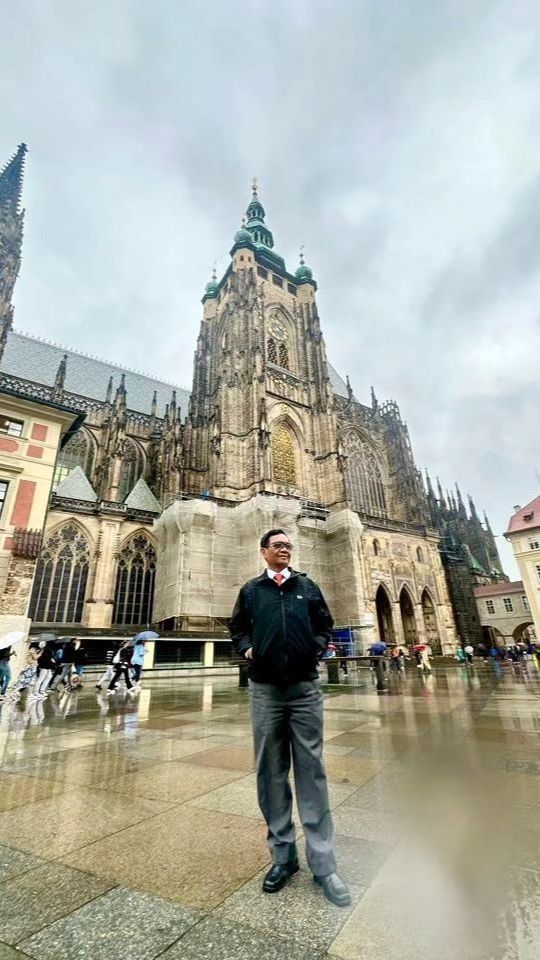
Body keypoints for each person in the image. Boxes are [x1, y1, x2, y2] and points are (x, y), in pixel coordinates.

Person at [230, 528, 351, 908]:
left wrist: (315, 650)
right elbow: (237, 628)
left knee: (311, 770)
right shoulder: (252, 591)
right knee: (271, 772)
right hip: (266, 689)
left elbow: (324, 625)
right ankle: (282, 858)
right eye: (277, 545)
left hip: (303, 688)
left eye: (288, 546)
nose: (284, 550)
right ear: (263, 551)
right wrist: (248, 649)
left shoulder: (307, 586)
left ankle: (323, 864)